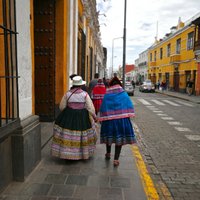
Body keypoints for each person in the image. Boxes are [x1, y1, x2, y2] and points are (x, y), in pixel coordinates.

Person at [51, 76, 97, 160]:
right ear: (80, 85)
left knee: (67, 135)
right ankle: (81, 153)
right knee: (82, 135)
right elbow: (90, 108)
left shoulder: (67, 94)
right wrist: (94, 116)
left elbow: (61, 107)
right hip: (82, 117)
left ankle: (67, 154)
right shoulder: (85, 94)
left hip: (68, 116)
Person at [99, 76, 136, 167]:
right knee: (119, 139)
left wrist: (101, 118)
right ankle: (116, 159)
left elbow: (103, 106)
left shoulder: (107, 94)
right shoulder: (123, 94)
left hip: (109, 121)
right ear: (119, 85)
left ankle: (108, 153)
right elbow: (129, 105)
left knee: (109, 137)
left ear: (111, 85)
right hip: (121, 121)